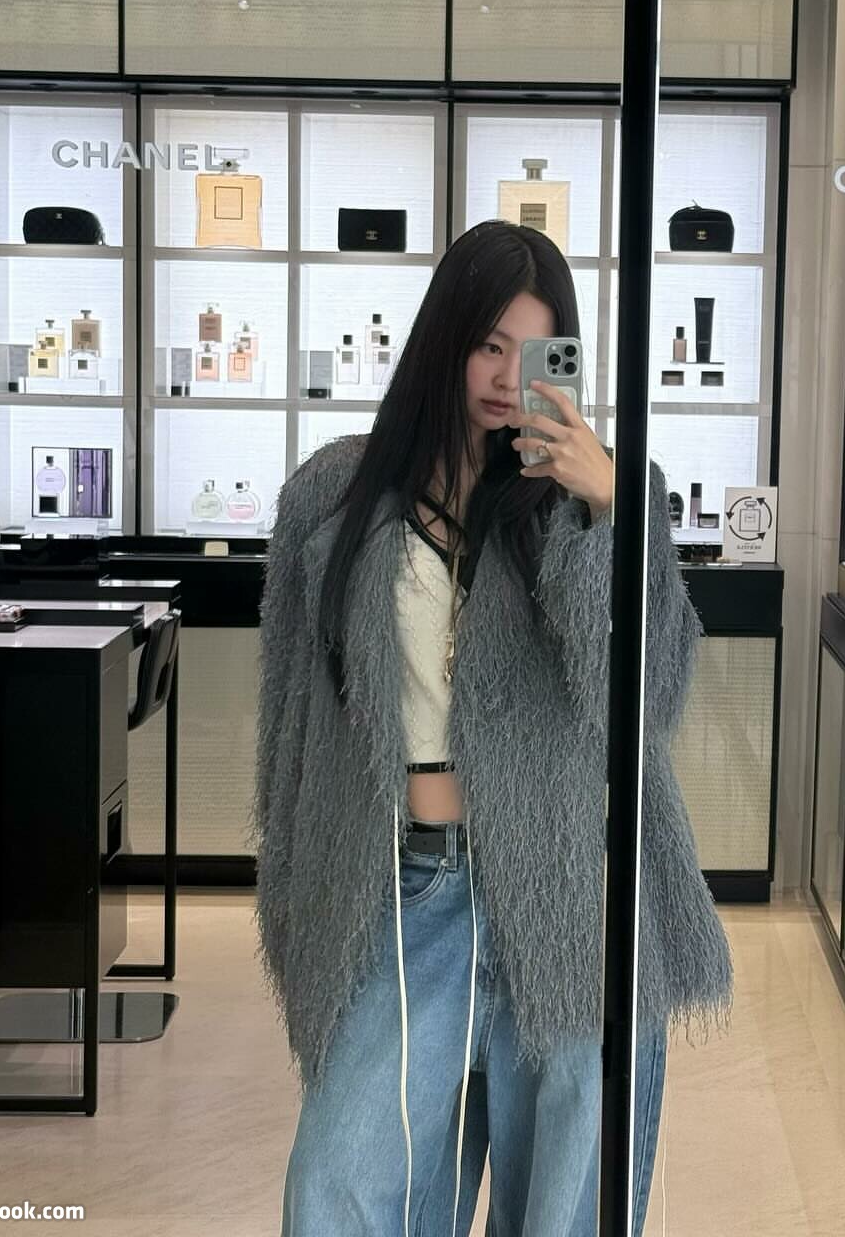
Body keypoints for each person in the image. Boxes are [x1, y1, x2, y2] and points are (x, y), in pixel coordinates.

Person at [252, 220, 734, 1236]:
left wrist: (606, 516)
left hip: (567, 895)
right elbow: (290, 726)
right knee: (336, 1190)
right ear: (445, 340)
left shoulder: (602, 494)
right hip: (400, 889)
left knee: (562, 1209)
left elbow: (648, 699)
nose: (510, 377)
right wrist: (294, 905)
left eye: (535, 350)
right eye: (487, 344)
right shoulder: (335, 496)